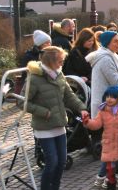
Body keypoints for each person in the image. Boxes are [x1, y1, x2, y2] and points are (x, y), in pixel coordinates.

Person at [25, 46, 89, 190]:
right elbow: (22, 101)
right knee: (52, 161)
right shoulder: (34, 78)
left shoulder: (59, 74)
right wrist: (43, 112)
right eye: (59, 61)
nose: (62, 63)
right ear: (50, 61)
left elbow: (69, 95)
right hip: (44, 126)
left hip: (59, 124)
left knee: (61, 161)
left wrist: (82, 108)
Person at [83, 85, 118, 189]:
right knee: (110, 171)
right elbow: (96, 124)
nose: (109, 99)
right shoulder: (103, 111)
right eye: (107, 96)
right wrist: (87, 122)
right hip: (108, 145)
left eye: (112, 97)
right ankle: (111, 186)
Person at [85, 31, 118, 118]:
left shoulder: (110, 56)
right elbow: (116, 81)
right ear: (107, 44)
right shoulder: (105, 59)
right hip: (105, 106)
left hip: (109, 104)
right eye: (115, 41)